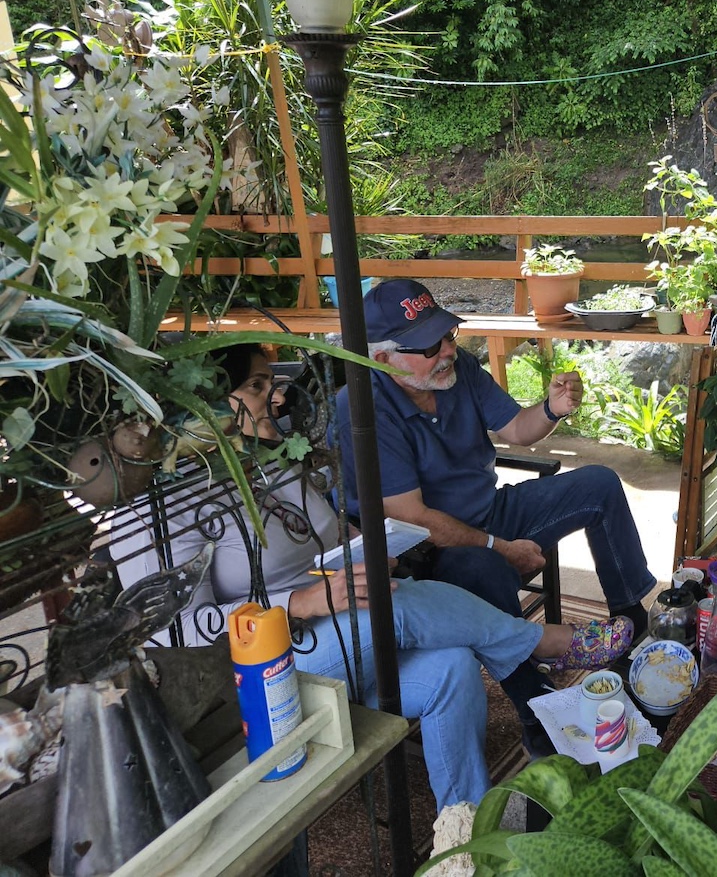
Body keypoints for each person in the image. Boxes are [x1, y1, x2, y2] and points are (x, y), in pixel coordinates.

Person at [112, 343, 634, 815]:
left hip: (336, 628)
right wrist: (300, 602)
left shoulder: (268, 460)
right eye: (256, 386)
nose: (275, 398)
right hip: (261, 668)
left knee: (451, 666)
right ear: (202, 406)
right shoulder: (161, 508)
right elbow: (170, 633)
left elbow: (324, 534)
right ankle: (543, 642)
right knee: (387, 601)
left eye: (271, 383)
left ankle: (467, 828)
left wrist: (367, 546)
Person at [330, 279, 656, 741]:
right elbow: (414, 518)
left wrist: (551, 407)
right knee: (484, 570)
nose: (446, 349)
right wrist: (502, 549)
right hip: (424, 554)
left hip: (491, 511)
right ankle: (537, 706)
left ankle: (632, 620)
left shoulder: (456, 367)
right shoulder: (360, 408)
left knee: (598, 484)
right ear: (383, 357)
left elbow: (516, 431)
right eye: (430, 344)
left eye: (448, 335)